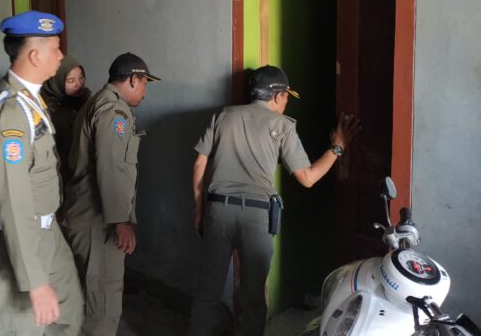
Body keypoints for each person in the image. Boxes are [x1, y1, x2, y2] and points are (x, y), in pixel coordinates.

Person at [187, 65, 361, 336]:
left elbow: (199, 164)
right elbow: (308, 178)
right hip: (256, 218)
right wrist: (337, 147)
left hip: (218, 211)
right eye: (287, 96)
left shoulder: (223, 116)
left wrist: (199, 212)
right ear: (278, 96)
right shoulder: (283, 126)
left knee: (207, 291)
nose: (287, 102)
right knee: (253, 296)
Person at [0, 10, 83, 335]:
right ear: (35, 56)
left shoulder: (30, 101)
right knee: (23, 326)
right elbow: (14, 200)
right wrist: (34, 281)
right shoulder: (11, 113)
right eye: (55, 48)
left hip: (46, 231)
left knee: (68, 314)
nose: (61, 55)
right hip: (20, 237)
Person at [63, 52, 161, 335]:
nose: (145, 92)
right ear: (133, 79)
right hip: (97, 223)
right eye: (144, 84)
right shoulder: (113, 111)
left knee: (91, 297)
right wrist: (120, 221)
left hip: (86, 215)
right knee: (103, 307)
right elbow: (111, 167)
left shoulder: (97, 102)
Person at [42, 55, 91, 183]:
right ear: (57, 81)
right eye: (71, 81)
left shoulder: (87, 101)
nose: (78, 84)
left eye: (81, 77)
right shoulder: (47, 110)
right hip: (58, 175)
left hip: (82, 174)